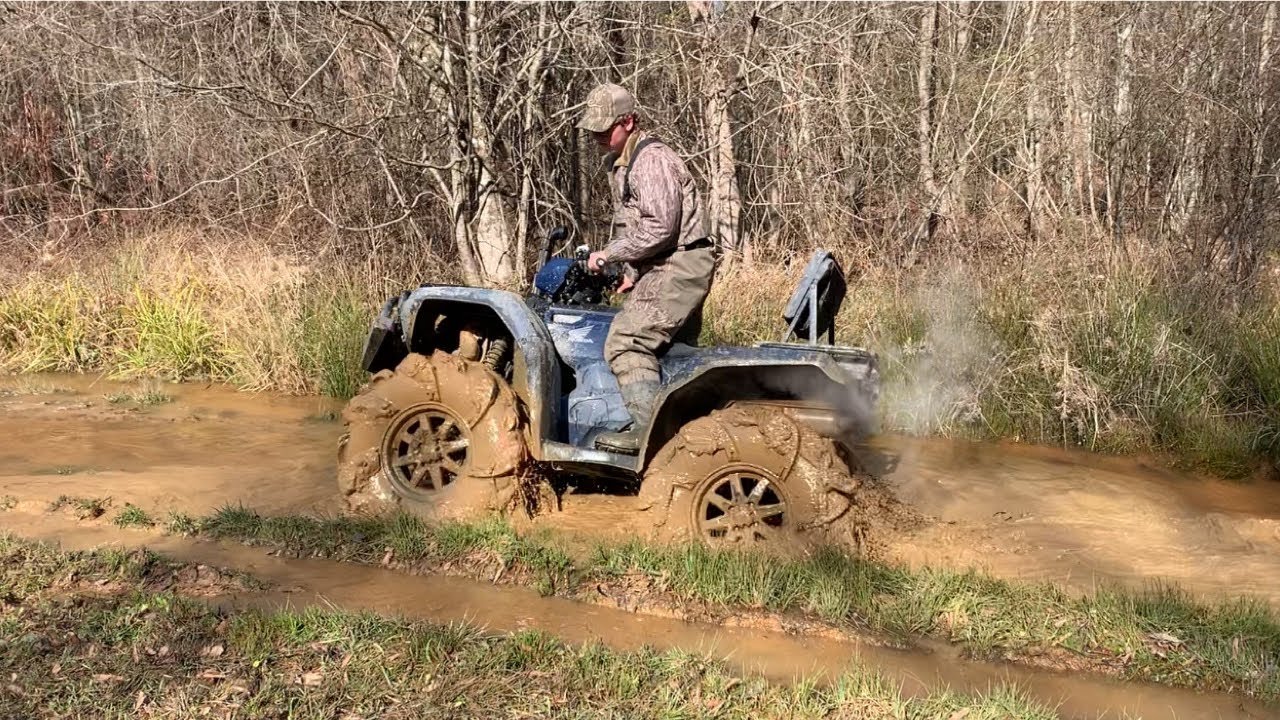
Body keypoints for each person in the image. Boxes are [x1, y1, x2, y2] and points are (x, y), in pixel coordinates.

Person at [576, 83, 716, 454]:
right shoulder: (622, 163)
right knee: (673, 355)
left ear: (630, 121)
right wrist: (633, 273)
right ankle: (688, 446)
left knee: (627, 342)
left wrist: (611, 253)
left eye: (605, 128)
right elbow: (639, 225)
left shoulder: (651, 159)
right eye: (593, 129)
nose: (597, 135)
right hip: (666, 262)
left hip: (679, 263)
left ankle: (650, 436)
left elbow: (659, 228)